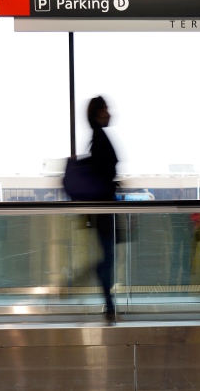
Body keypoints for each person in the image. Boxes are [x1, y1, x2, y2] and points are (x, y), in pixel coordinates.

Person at [86, 96, 119, 323]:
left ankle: (109, 304)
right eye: (107, 109)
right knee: (108, 258)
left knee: (108, 256)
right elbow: (102, 175)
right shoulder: (99, 139)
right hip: (105, 208)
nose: (110, 113)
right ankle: (109, 305)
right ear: (99, 112)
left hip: (104, 208)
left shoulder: (97, 138)